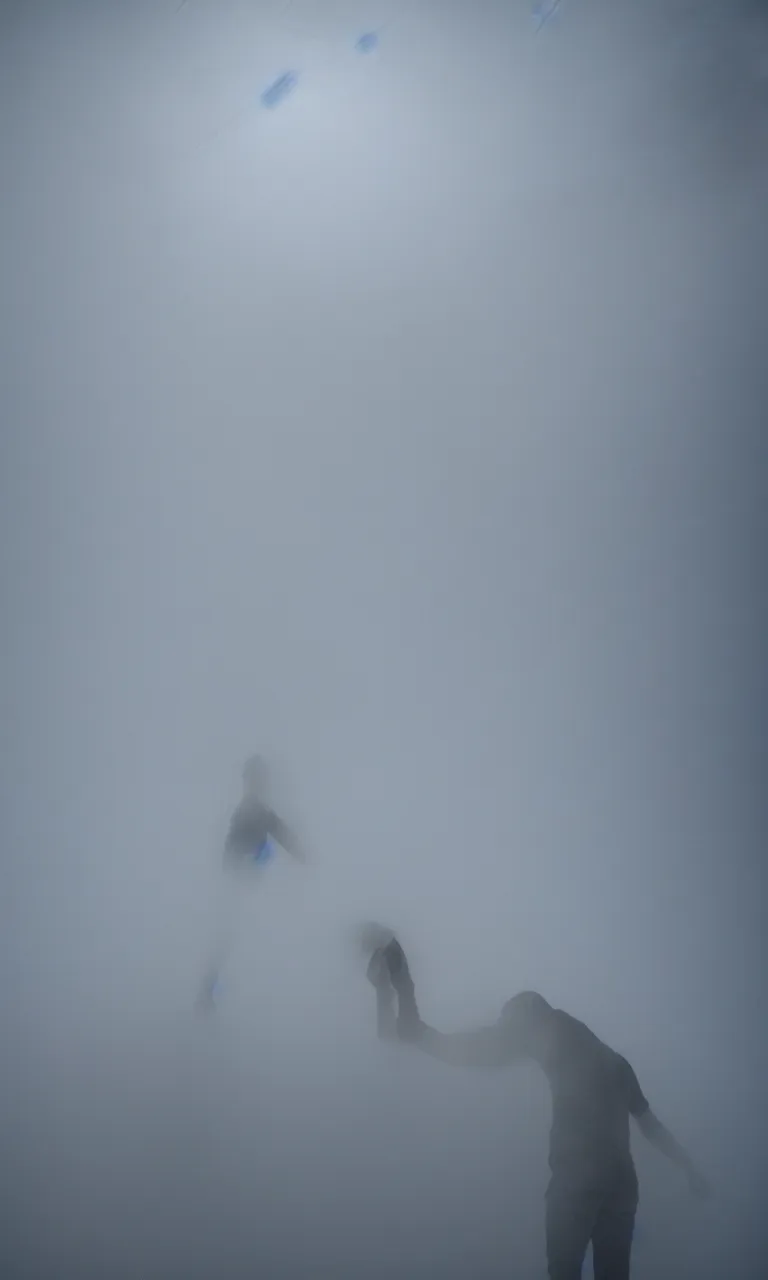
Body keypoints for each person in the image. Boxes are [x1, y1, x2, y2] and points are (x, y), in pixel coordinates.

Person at [365, 933, 710, 1280]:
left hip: (577, 1174)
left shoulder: (545, 1027)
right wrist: (688, 1166)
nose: (503, 1032)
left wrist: (407, 1000)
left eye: (506, 1023)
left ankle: (400, 976)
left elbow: (472, 1051)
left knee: (563, 1270)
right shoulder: (615, 1062)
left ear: (526, 1014)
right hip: (621, 1183)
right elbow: (651, 1126)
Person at [196, 755, 304, 1012]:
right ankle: (210, 993)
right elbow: (276, 832)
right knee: (228, 938)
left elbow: (276, 832)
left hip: (245, 887)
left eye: (260, 780)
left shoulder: (251, 809)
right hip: (240, 887)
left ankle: (211, 992)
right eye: (256, 779)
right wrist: (255, 860)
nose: (259, 785)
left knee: (230, 938)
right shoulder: (251, 809)